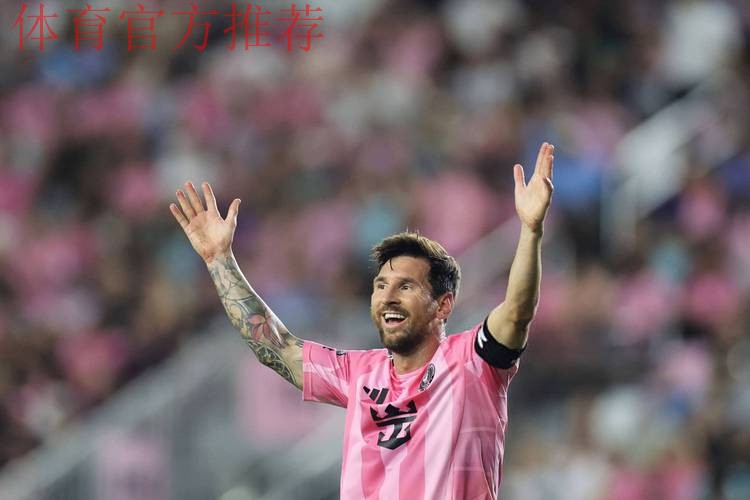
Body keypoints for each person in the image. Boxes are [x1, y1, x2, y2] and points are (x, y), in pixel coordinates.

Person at [169, 142, 555, 499]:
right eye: (381, 286)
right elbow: (273, 345)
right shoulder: (358, 374)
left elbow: (517, 312)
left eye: (405, 286)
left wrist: (531, 230)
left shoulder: (473, 362)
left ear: (443, 305)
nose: (388, 297)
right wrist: (219, 260)